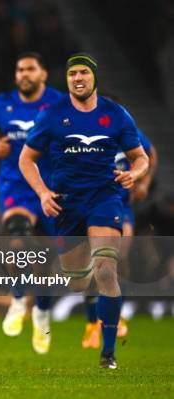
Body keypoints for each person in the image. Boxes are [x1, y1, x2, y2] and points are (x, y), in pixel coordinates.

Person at [19, 53, 149, 369]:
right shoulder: (52, 115)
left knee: (106, 268)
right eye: (73, 74)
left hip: (105, 198)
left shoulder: (115, 114)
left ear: (93, 77)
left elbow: (141, 156)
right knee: (77, 280)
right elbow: (26, 159)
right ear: (67, 80)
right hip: (67, 203)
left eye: (83, 73)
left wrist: (135, 173)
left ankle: (108, 353)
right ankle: (85, 280)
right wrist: (42, 192)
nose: (78, 78)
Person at [0, 52, 64, 354]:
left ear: (43, 74)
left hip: (53, 187)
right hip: (15, 186)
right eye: (20, 69)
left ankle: (40, 314)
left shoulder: (58, 103)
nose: (24, 74)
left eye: (30, 69)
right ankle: (16, 299)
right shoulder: (2, 104)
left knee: (47, 263)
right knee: (18, 239)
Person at [82, 127, 157, 348]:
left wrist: (144, 182)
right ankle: (92, 324)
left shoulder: (127, 131)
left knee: (117, 258)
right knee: (92, 264)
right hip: (91, 206)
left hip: (121, 205)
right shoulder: (84, 136)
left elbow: (151, 153)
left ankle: (115, 315)